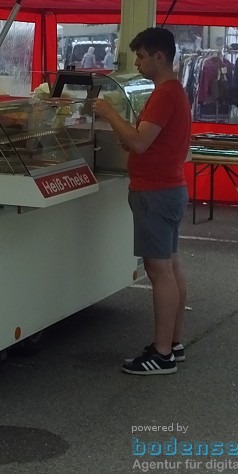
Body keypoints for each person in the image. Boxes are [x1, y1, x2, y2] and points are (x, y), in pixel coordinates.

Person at [92, 27, 190, 376]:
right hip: (169, 188)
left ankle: (162, 352)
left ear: (159, 57)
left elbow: (140, 141)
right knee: (171, 266)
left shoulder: (164, 94)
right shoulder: (172, 92)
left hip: (156, 192)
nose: (137, 62)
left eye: (141, 56)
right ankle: (172, 343)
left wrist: (108, 113)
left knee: (159, 270)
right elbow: (150, 141)